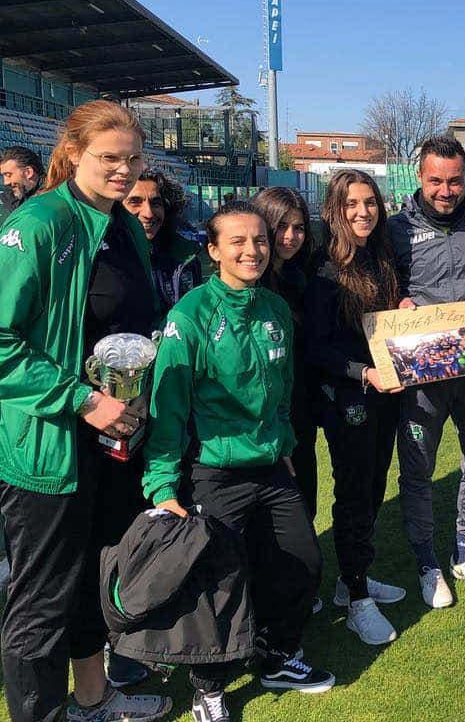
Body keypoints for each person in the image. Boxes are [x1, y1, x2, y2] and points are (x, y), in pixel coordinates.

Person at [0, 100, 171, 722]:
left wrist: (137, 391)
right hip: (48, 449)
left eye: (132, 159)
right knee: (41, 604)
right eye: (109, 159)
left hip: (113, 444)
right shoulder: (40, 222)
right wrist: (84, 400)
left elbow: (130, 326)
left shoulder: (123, 225)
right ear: (72, 153)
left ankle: (93, 701)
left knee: (94, 584)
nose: (124, 171)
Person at [142, 200, 334, 721]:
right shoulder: (190, 316)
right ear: (213, 251)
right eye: (238, 242)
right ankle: (210, 686)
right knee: (221, 581)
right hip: (215, 473)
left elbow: (283, 390)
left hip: (272, 467)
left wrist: (288, 445)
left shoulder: (273, 310)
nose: (253, 251)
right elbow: (168, 409)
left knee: (301, 564)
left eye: (260, 241)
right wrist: (163, 484)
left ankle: (276, 656)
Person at [387, 134, 465, 607]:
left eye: (454, 180)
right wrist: (394, 301)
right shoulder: (395, 229)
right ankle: (427, 563)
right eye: (436, 180)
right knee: (418, 469)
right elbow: (377, 288)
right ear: (420, 177)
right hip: (422, 375)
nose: (445, 189)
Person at [305, 169, 406, 643]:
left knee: (373, 488)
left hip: (386, 395)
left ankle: (352, 583)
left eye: (370, 202)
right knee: (353, 494)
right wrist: (362, 374)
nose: (363, 212)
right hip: (350, 399)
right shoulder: (324, 269)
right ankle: (359, 602)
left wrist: (402, 307)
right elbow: (316, 347)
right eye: (351, 204)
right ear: (334, 211)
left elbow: (381, 325)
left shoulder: (379, 256)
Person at [253, 187, 319, 523]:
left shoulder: (301, 276)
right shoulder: (249, 283)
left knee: (304, 499)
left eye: (299, 228)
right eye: (282, 227)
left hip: (300, 406)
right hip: (261, 413)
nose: (290, 237)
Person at [123, 167, 203, 308]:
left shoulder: (186, 258)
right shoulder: (102, 260)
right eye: (135, 202)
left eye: (156, 203)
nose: (148, 213)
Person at [0, 145, 44, 220]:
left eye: (8, 175)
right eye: (3, 176)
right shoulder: (7, 200)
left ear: (28, 172)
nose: (5, 182)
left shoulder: (55, 198)